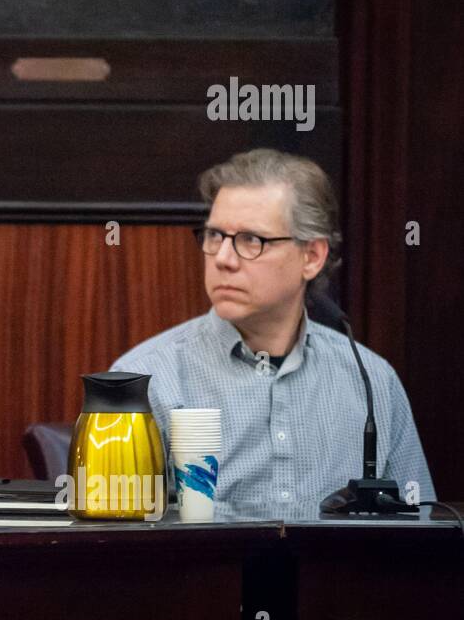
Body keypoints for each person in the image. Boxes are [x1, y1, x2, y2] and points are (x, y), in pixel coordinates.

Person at [112, 149, 434, 520]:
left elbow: (420, 534)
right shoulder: (145, 380)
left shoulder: (373, 381)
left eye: (251, 240)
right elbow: (118, 552)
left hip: (335, 579)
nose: (223, 259)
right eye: (215, 235)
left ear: (311, 257)